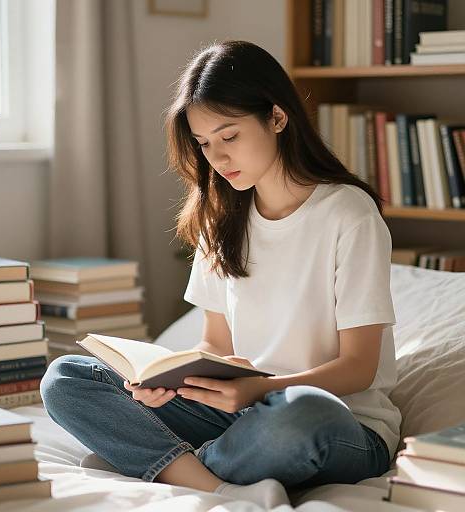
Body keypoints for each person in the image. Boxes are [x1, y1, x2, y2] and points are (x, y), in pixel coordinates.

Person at [40, 40, 401, 509]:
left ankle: (156, 461)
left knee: (300, 415)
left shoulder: (348, 214)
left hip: (338, 422)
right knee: (67, 377)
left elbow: (359, 367)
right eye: (204, 143)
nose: (218, 158)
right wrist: (170, 380)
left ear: (276, 117)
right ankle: (213, 484)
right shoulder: (221, 215)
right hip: (240, 412)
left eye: (229, 137)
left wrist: (263, 388)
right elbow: (216, 346)